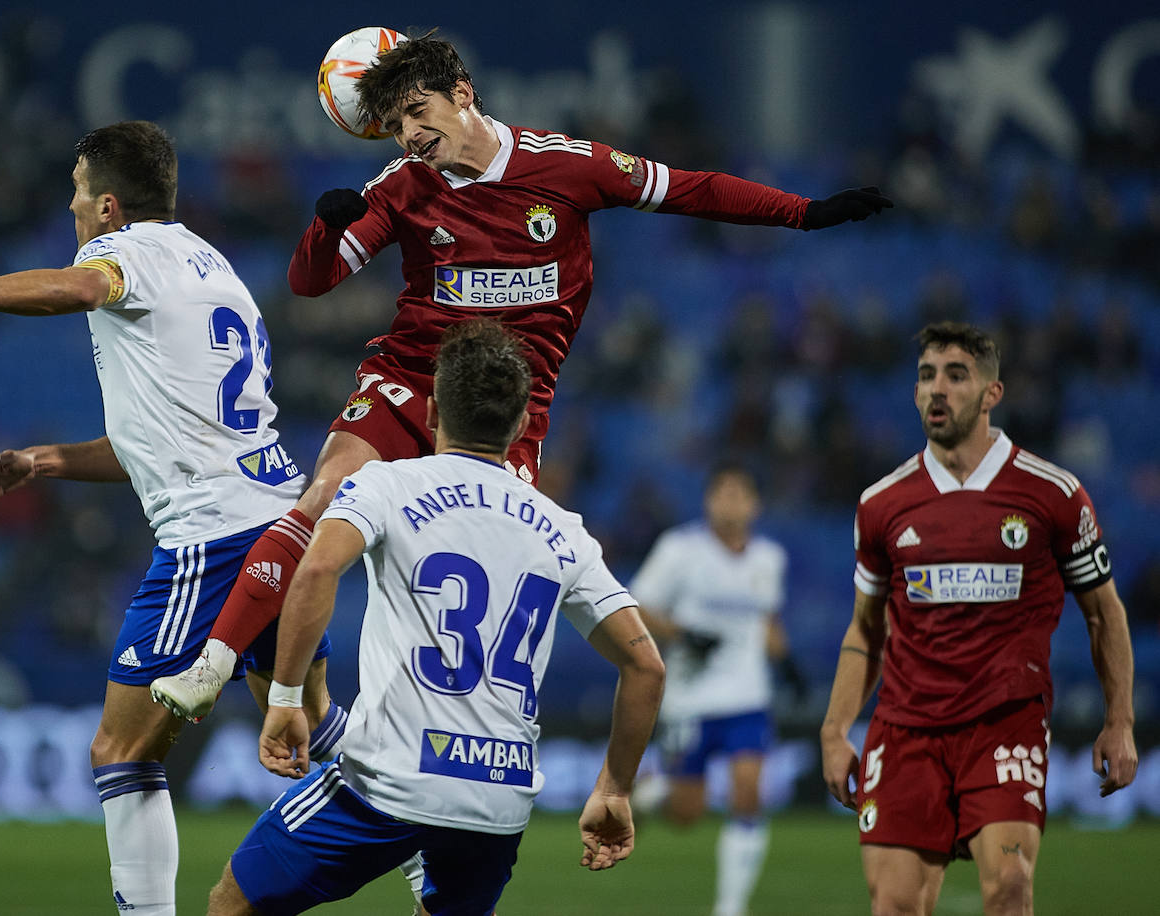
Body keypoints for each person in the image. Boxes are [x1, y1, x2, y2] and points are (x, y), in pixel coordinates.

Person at [150, 28, 891, 724]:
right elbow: (310, 283)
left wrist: (807, 213)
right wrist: (325, 227)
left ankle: (459, 733)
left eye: (417, 112)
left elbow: (690, 189)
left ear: (463, 93)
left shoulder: (568, 165)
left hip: (508, 408)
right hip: (412, 375)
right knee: (321, 499)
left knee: (484, 568)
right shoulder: (402, 186)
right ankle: (211, 665)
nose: (410, 135)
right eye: (395, 125)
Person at [0, 120, 343, 916]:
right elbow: (168, 441)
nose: (74, 208)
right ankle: (433, 821)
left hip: (212, 540)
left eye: (80, 192)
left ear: (111, 206)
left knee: (122, 752)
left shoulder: (123, 254)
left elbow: (79, 287)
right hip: (282, 524)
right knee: (311, 729)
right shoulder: (215, 269)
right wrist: (44, 461)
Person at [205, 318, 664, 915]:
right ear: (522, 425)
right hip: (498, 799)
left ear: (429, 414)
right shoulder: (562, 530)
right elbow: (646, 666)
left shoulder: (386, 485)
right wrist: (615, 788)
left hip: (389, 783)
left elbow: (316, 570)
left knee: (233, 903)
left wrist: (287, 699)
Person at [819, 321, 1138, 916]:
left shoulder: (1053, 494)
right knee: (893, 906)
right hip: (906, 729)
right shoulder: (881, 503)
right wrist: (835, 729)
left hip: (1004, 724)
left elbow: (1104, 613)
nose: (936, 389)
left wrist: (1119, 719)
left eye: (956, 375)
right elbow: (867, 629)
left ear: (992, 393)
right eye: (925, 376)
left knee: (1010, 887)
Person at [631, 462, 805, 916]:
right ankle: (652, 792)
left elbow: (766, 619)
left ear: (755, 504)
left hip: (748, 695)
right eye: (723, 493)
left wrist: (787, 664)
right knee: (688, 812)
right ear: (709, 500)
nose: (731, 502)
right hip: (690, 697)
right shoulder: (679, 549)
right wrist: (684, 634)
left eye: (739, 494)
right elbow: (638, 606)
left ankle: (730, 907)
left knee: (749, 792)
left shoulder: (769, 558)